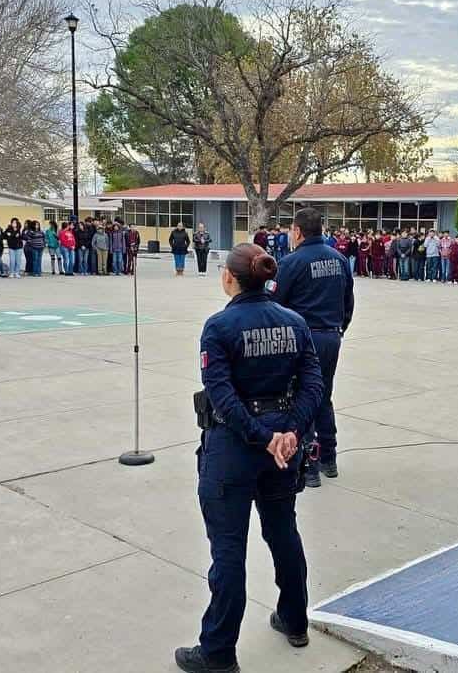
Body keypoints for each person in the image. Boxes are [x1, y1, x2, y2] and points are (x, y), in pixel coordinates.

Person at [175, 243, 323, 673]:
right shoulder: (294, 322)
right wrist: (290, 432)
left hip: (236, 449)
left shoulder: (219, 327)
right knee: (283, 533)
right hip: (281, 448)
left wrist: (266, 436)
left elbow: (221, 394)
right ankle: (295, 620)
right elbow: (313, 384)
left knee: (228, 551)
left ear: (230, 279)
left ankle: (218, 652)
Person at [273, 207, 354, 488]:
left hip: (304, 339)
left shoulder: (291, 262)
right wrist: (339, 327)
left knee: (301, 399)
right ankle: (329, 458)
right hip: (331, 336)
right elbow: (348, 301)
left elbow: (276, 304)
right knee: (323, 396)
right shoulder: (340, 259)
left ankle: (309, 464)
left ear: (297, 231)